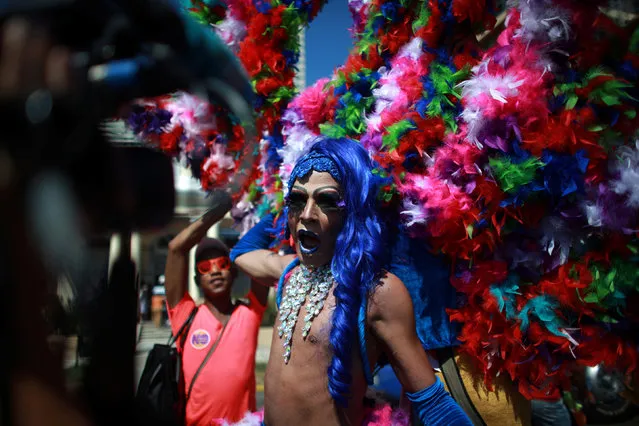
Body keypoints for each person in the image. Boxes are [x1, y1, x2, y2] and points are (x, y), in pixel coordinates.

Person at [229, 137, 472, 426]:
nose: (307, 215)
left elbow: (432, 402)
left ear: (353, 211)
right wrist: (280, 208)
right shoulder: (291, 272)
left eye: (327, 201)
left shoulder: (377, 292)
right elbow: (241, 252)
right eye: (297, 200)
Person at [164, 205, 269, 425]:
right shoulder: (185, 316)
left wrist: (263, 205)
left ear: (232, 272)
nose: (214, 271)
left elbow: (262, 245)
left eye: (222, 264)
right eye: (205, 267)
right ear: (196, 280)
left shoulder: (250, 312)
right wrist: (221, 209)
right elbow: (176, 249)